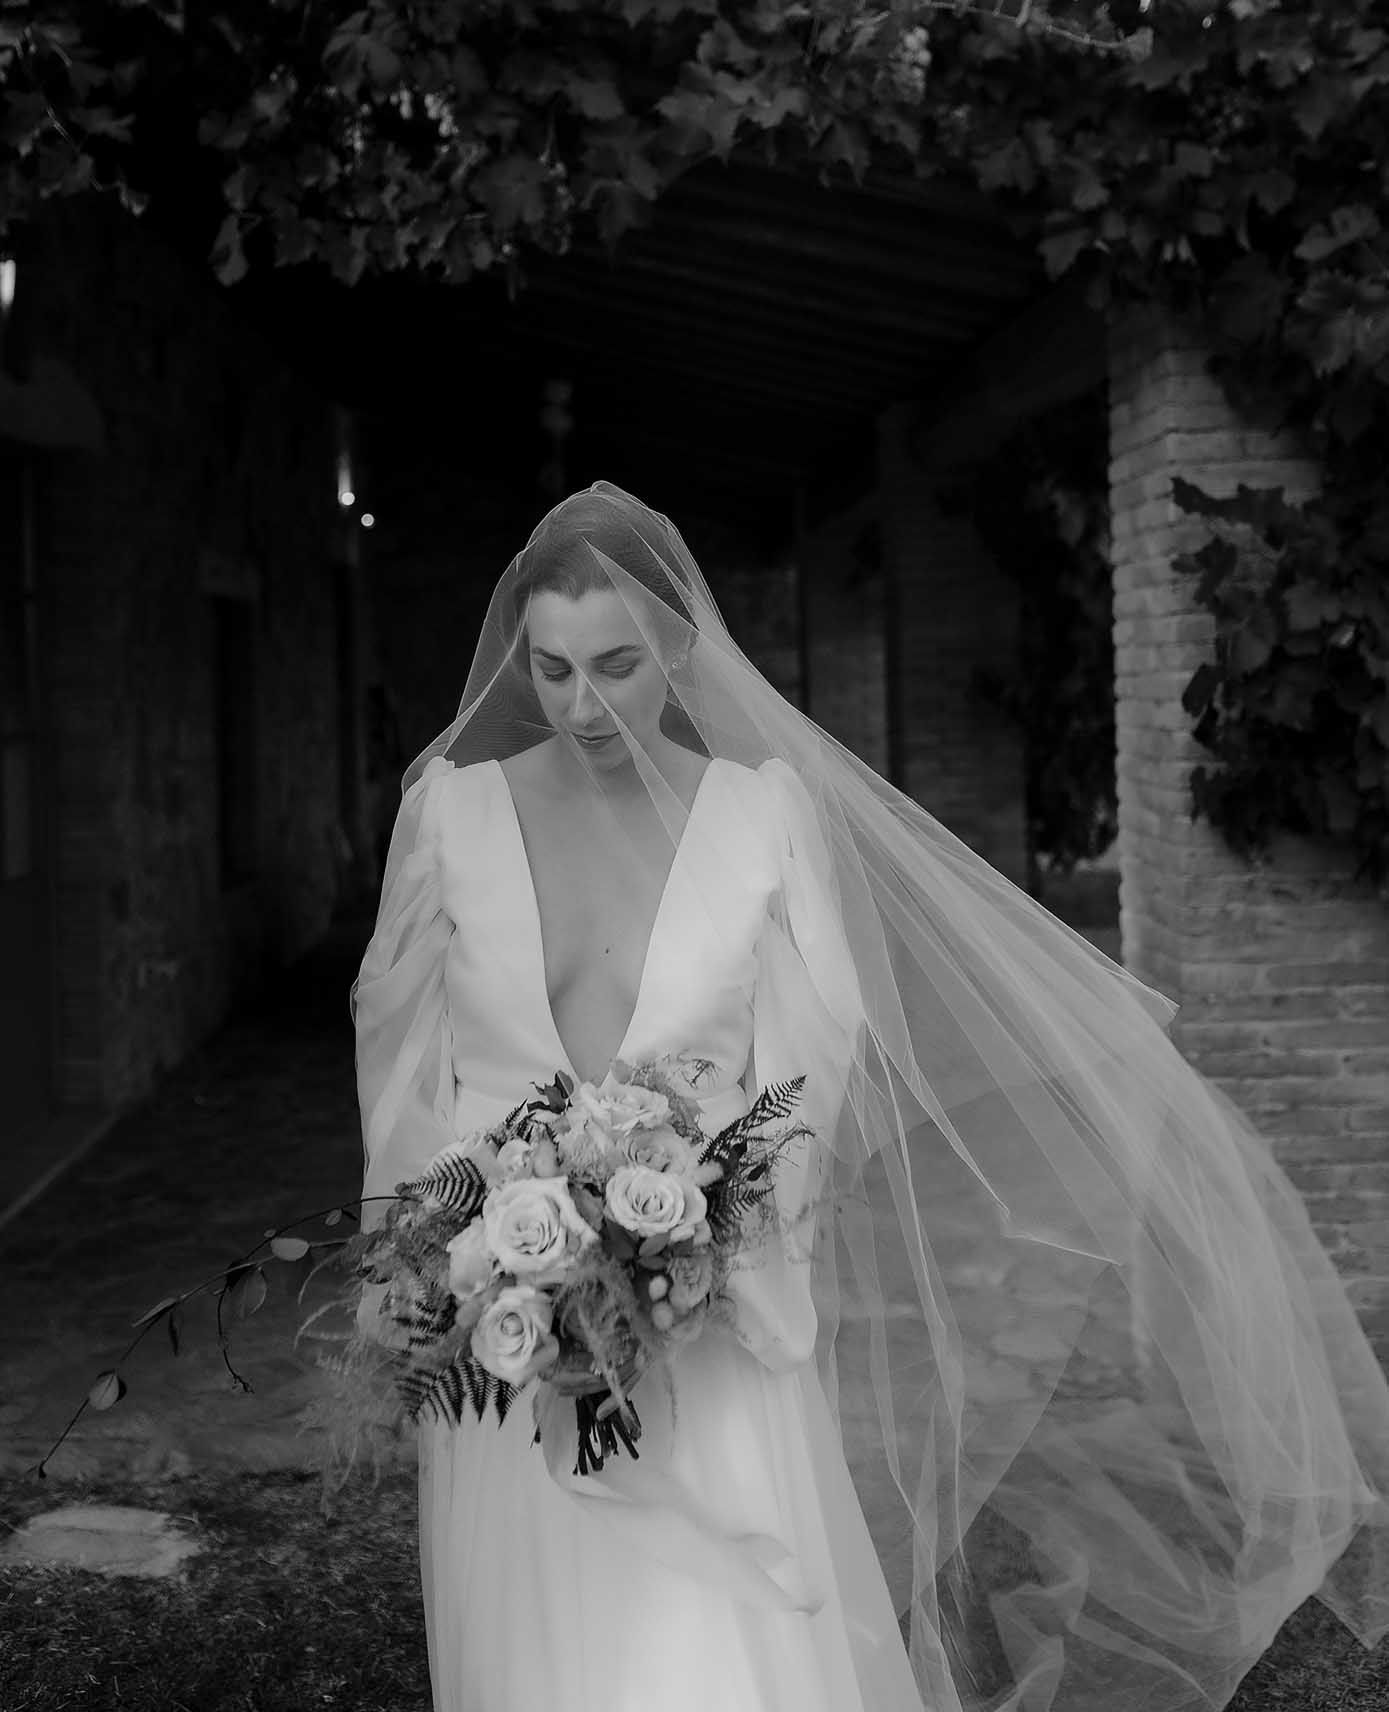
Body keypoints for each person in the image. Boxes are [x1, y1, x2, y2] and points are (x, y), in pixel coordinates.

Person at [353, 483, 1389, 1712]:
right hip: (507, 1328)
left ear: (679, 647)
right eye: (555, 668)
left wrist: (694, 1250)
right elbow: (405, 1063)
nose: (584, 705)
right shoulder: (450, 816)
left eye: (618, 666)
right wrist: (433, 1265)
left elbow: (811, 1070)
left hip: (709, 1323)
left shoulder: (761, 816)